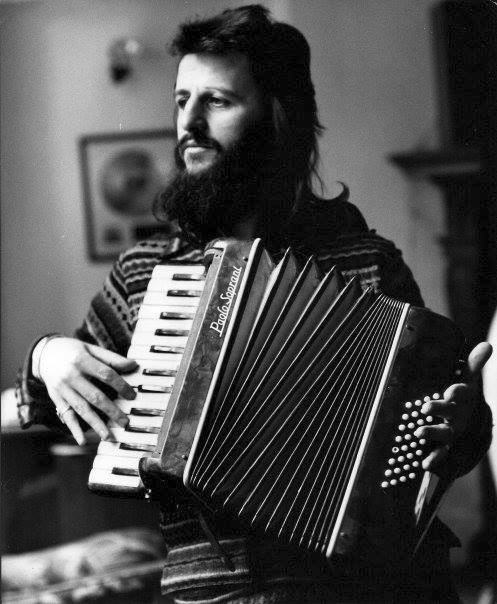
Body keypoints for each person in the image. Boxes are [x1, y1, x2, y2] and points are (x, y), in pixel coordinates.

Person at [16, 5, 492, 603]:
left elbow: (446, 435)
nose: (189, 122)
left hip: (374, 584)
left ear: (278, 117)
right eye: (181, 100)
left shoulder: (367, 263)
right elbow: (49, 403)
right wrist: (47, 356)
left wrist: (466, 426)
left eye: (216, 101)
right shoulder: (146, 273)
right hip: (219, 587)